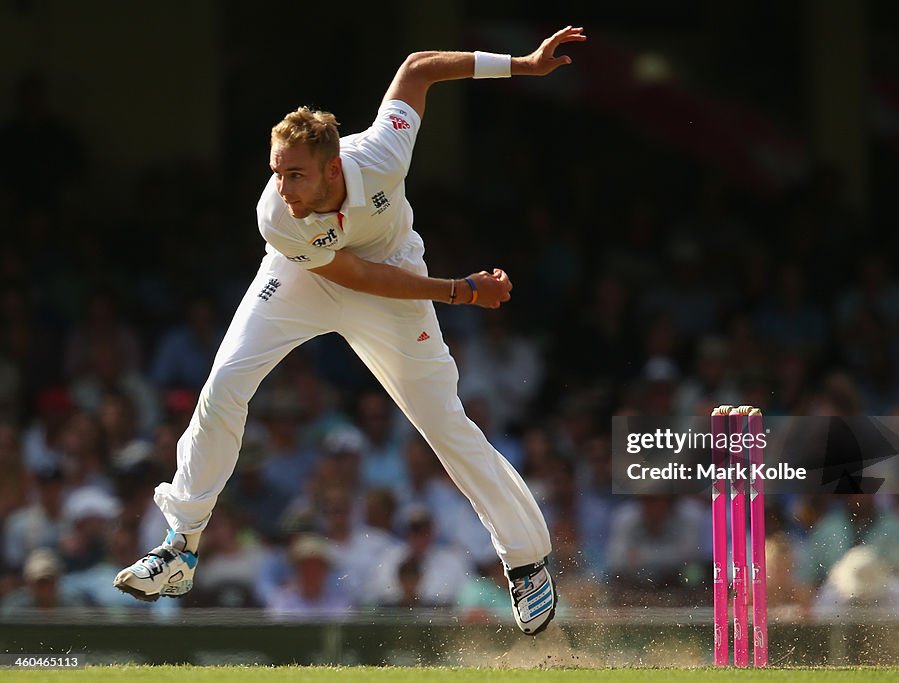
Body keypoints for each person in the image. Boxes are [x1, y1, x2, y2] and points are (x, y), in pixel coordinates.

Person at [114, 25, 586, 636]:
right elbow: (349, 274)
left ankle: (525, 561)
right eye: (277, 172)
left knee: (442, 421)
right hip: (308, 273)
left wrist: (521, 65)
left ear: (334, 167)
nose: (283, 189)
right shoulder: (278, 218)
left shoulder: (381, 154)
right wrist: (459, 291)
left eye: (297, 175)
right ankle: (179, 547)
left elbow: (417, 69)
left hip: (391, 277)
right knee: (225, 383)